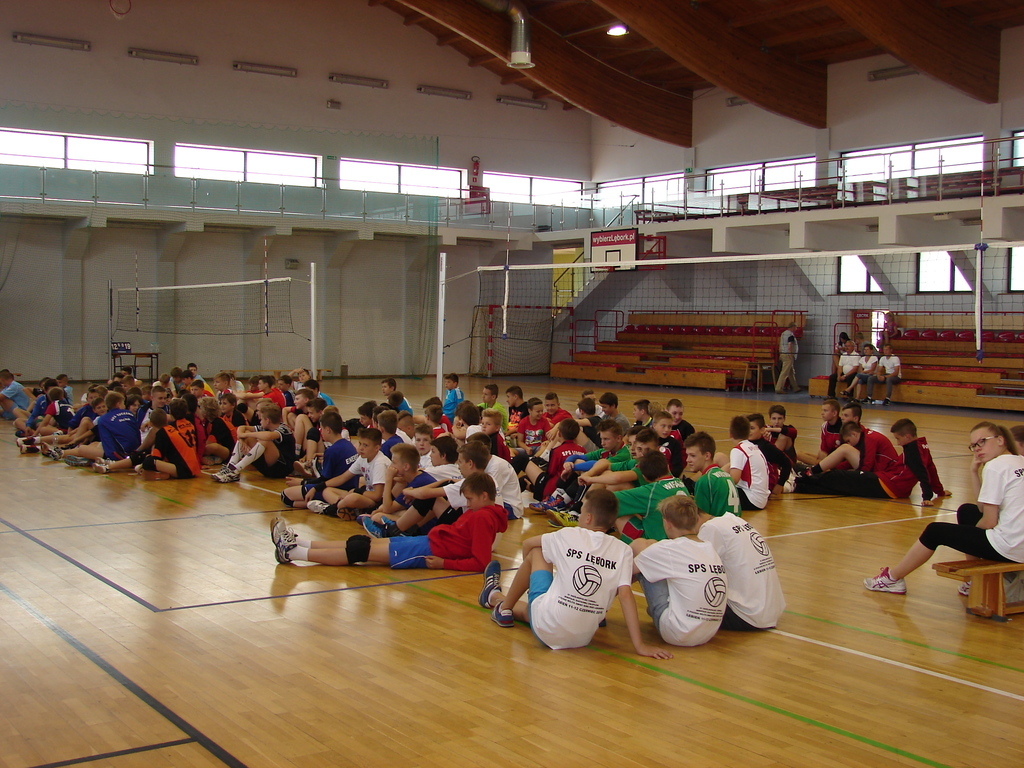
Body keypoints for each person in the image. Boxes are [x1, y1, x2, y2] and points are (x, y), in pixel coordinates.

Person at [478, 488, 672, 659]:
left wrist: (532, 581)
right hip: (583, 637)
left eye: (581, 512)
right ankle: (496, 597)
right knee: (541, 610)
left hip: (546, 626)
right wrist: (639, 646)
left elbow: (528, 544)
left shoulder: (568, 534)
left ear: (588, 518)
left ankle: (503, 608)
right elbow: (625, 595)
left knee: (537, 551)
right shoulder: (623, 550)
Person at [865, 421, 1024, 595]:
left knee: (935, 531)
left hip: (1010, 548)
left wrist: (970, 536)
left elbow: (989, 521)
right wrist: (973, 471)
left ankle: (892, 579)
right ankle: (973, 580)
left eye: (982, 442)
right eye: (973, 446)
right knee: (967, 511)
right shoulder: (1019, 461)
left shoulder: (995, 467)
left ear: (1000, 440)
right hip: (1019, 544)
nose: (977, 448)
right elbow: (981, 508)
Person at [272, 471, 507, 572]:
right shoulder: (480, 512)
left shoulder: (484, 517)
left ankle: (293, 553)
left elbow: (481, 562)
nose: (467, 504)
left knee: (359, 551)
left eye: (470, 499)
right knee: (362, 542)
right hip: (428, 542)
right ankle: (300, 542)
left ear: (484, 496)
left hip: (429, 551)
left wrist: (444, 564)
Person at [630, 495, 727, 646]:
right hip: (708, 632)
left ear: (667, 523)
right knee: (654, 555)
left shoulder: (668, 548)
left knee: (641, 545)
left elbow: (625, 572)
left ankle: (600, 611)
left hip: (677, 633)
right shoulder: (709, 547)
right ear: (696, 520)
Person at [797, 419, 947, 504]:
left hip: (887, 484)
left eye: (898, 439)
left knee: (838, 478)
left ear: (907, 436)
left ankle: (800, 481)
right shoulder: (922, 446)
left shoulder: (912, 449)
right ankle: (803, 476)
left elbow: (922, 472)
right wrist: (939, 491)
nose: (898, 443)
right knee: (841, 479)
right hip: (887, 481)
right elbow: (931, 469)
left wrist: (927, 497)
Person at [696, 502, 785, 630]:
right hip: (770, 611)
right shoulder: (735, 520)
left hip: (746, 615)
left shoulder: (710, 528)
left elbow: (697, 573)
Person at [306, 427, 389, 518]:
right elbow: (342, 478)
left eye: (365, 445)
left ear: (377, 448)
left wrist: (358, 491)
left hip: (379, 503)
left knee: (352, 497)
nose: (361, 448)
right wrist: (316, 488)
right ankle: (347, 508)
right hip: (367, 496)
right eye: (360, 444)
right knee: (327, 490)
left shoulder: (379, 463)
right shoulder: (363, 458)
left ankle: (329, 509)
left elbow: (377, 496)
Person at [213, 402, 296, 483]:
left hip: (282, 468)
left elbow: (268, 436)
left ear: (267, 420)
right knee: (247, 437)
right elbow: (242, 427)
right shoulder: (264, 427)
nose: (260, 422)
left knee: (264, 441)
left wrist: (245, 434)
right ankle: (230, 466)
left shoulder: (284, 428)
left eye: (261, 419)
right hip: (268, 467)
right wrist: (242, 438)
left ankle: (236, 469)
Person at [715, 416, 770, 511]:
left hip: (751, 499)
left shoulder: (738, 450)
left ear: (730, 434)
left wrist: (716, 482)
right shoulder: (753, 447)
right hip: (761, 498)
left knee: (715, 491)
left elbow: (734, 479)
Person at [684, 432, 742, 518]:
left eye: (692, 456)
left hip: (720, 525)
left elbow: (701, 517)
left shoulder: (705, 480)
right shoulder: (725, 475)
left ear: (707, 456)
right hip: (737, 523)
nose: (688, 460)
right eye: (687, 455)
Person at [775, 322, 800, 394]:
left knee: (791, 372)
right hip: (788, 355)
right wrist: (791, 354)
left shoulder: (783, 333)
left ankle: (795, 387)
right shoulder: (790, 335)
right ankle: (778, 388)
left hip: (783, 353)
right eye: (796, 327)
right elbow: (790, 345)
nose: (796, 329)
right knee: (785, 372)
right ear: (793, 327)